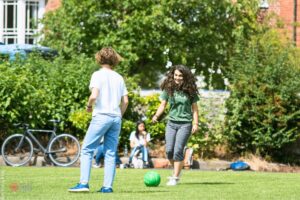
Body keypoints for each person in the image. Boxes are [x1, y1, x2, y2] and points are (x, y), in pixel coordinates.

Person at [69, 47, 129, 193]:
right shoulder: (119, 77)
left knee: (87, 149)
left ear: (99, 58)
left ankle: (83, 184)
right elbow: (125, 101)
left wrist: (89, 106)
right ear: (114, 60)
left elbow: (94, 96)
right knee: (110, 153)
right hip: (115, 117)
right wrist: (119, 115)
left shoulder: (97, 75)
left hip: (102, 116)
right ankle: (107, 187)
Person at [152, 65, 199, 186]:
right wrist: (156, 116)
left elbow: (195, 109)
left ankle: (175, 177)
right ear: (173, 75)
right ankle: (178, 169)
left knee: (178, 150)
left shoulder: (190, 91)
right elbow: (163, 105)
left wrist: (195, 123)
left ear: (185, 77)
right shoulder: (169, 89)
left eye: (180, 76)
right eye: (176, 75)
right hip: (171, 123)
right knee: (169, 151)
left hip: (185, 124)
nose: (177, 78)